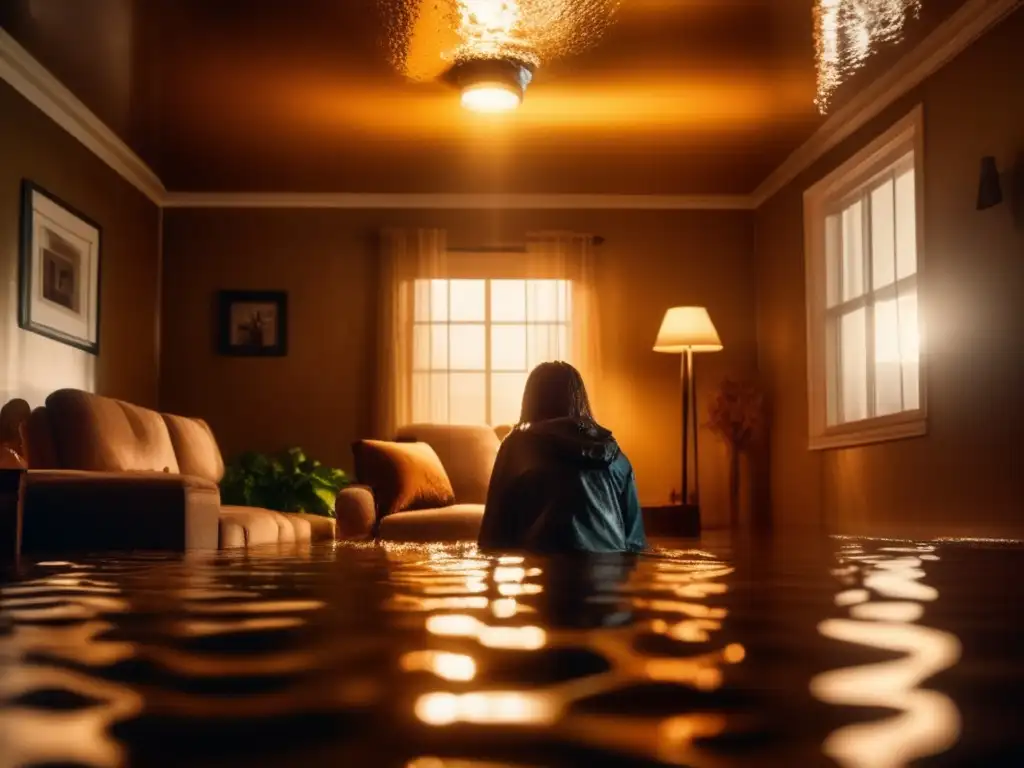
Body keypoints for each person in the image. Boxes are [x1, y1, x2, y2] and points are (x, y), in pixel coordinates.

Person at [478, 361, 647, 553]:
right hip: (609, 571)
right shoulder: (615, 454)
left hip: (544, 568)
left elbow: (491, 536)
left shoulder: (517, 446)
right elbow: (636, 543)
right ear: (580, 399)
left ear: (531, 400)